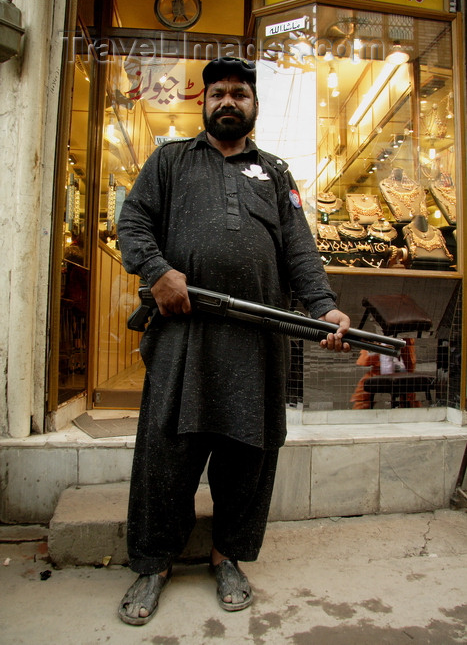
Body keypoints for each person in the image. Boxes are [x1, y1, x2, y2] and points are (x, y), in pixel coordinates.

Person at [116, 56, 351, 626]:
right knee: (165, 456)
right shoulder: (170, 160)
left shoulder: (275, 172)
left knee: (248, 456)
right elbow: (134, 223)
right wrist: (157, 271)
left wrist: (324, 307)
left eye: (239, 94)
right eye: (218, 92)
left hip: (258, 338)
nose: (228, 101)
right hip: (184, 336)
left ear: (253, 105)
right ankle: (154, 563)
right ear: (203, 101)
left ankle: (228, 558)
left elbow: (299, 251)